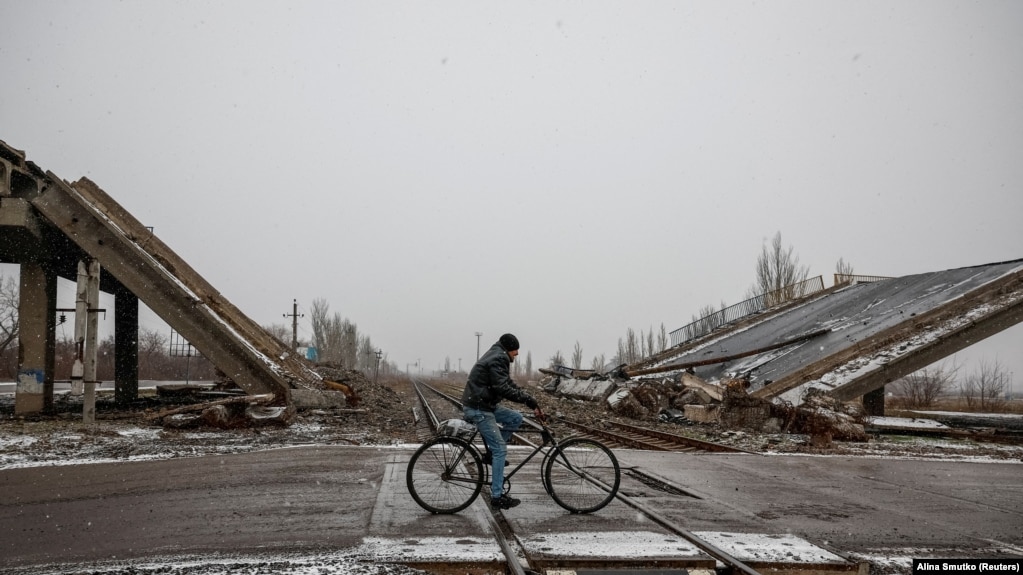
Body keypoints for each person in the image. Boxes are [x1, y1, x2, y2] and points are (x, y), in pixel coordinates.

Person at [462, 333, 543, 510]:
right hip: (479, 407)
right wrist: (527, 400)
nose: (517, 354)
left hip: (485, 404)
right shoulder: (499, 357)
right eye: (515, 350)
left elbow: (506, 383)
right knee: (500, 449)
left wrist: (528, 398)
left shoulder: (497, 354)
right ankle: (497, 496)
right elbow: (502, 388)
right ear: (509, 349)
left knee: (516, 418)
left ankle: (491, 455)